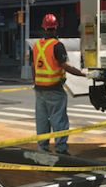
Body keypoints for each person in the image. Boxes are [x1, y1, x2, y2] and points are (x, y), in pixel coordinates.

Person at [32, 13, 86, 155]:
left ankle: (42, 148)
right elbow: (65, 66)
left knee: (42, 120)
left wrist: (35, 82)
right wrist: (83, 74)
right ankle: (60, 149)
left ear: (43, 28)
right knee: (58, 119)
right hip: (54, 89)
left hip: (39, 89)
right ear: (55, 28)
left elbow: (34, 67)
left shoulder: (36, 46)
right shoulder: (57, 46)